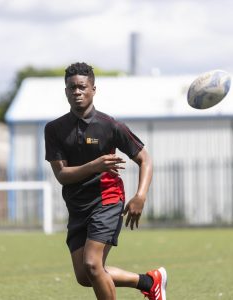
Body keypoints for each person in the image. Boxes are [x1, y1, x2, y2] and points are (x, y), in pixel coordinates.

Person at [44, 62, 167, 300]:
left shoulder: (109, 125)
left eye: (82, 87)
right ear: (65, 91)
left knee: (92, 265)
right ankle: (149, 282)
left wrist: (140, 195)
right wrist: (95, 165)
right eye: (71, 88)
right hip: (78, 206)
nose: (77, 92)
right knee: (84, 275)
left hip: (107, 200)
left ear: (93, 89)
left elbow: (144, 159)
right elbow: (62, 175)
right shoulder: (54, 129)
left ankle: (150, 283)